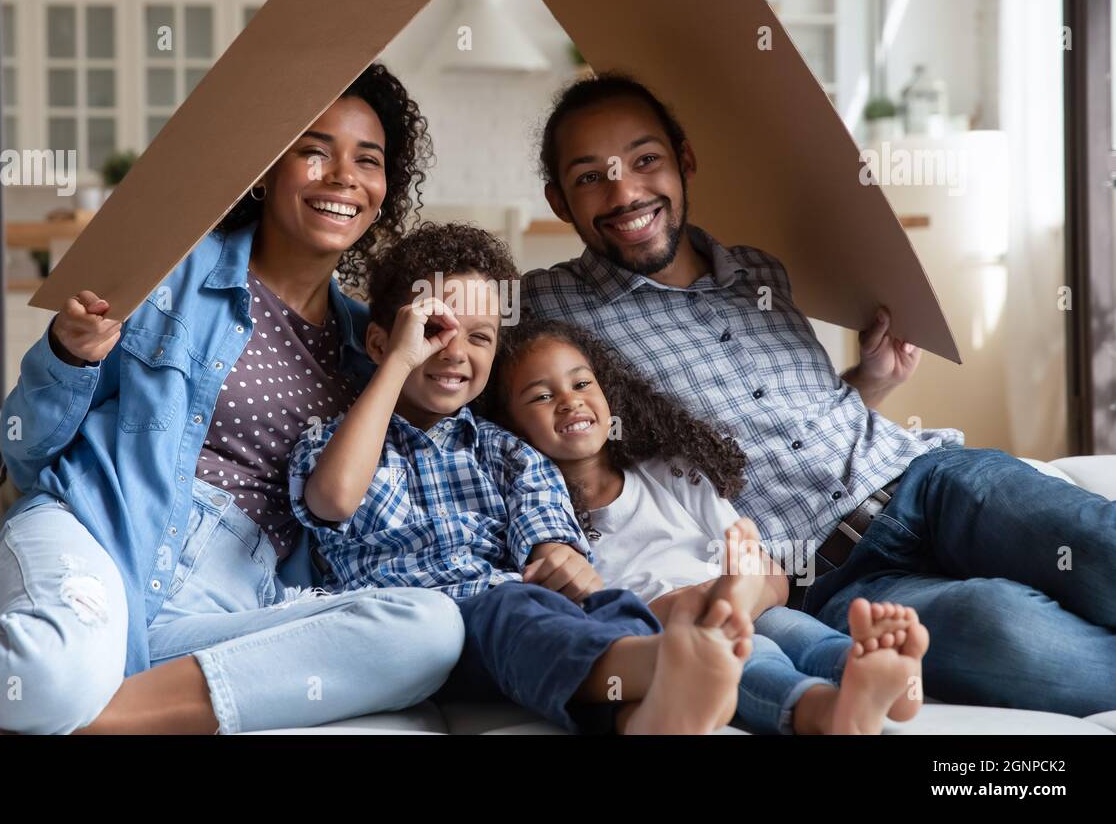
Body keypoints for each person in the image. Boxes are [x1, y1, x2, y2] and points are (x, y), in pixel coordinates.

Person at [0, 64, 464, 735]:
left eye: (368, 159)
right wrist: (69, 355)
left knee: (429, 629)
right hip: (96, 538)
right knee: (53, 667)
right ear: (266, 169)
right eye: (313, 149)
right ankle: (49, 698)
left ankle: (66, 718)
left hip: (226, 601)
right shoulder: (165, 269)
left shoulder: (378, 347)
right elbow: (26, 447)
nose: (342, 177)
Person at [520, 71, 1116, 716]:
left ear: (683, 160)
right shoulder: (544, 310)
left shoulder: (760, 270)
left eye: (645, 161)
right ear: (559, 202)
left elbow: (790, 417)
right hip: (822, 580)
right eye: (590, 177)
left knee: (1089, 539)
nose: (626, 191)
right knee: (1010, 636)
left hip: (925, 479)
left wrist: (871, 384)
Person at [289, 222, 753, 735]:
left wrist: (558, 556)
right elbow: (333, 500)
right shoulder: (335, 442)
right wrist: (400, 363)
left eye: (480, 337)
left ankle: (649, 715)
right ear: (379, 343)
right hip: (416, 631)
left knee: (600, 605)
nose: (455, 351)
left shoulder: (508, 452)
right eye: (432, 330)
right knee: (514, 612)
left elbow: (548, 532)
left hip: (511, 620)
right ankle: (663, 664)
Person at [488, 317, 929, 734]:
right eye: (541, 396)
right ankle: (826, 711)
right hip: (673, 634)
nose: (570, 400)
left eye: (582, 383)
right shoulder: (542, 528)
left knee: (788, 627)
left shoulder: (671, 473)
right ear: (508, 428)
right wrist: (706, 607)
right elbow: (600, 624)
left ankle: (875, 674)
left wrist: (734, 598)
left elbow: (771, 579)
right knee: (747, 656)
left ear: (608, 393)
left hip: (746, 601)